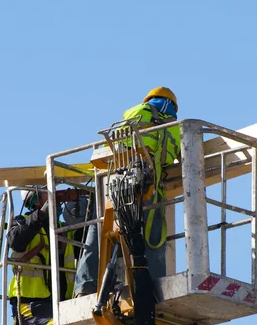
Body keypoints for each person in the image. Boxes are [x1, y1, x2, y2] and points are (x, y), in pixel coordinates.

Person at [74, 86, 180, 296]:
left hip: (116, 183)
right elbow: (171, 157)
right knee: (153, 237)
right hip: (146, 186)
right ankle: (155, 287)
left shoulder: (133, 113)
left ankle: (86, 284)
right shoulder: (172, 123)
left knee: (100, 232)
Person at [7, 186, 86, 325]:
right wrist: (42, 214)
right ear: (36, 201)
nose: (55, 197)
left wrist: (89, 203)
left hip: (60, 305)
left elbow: (85, 242)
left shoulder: (62, 230)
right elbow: (15, 241)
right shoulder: (21, 222)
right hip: (31, 308)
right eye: (47, 193)